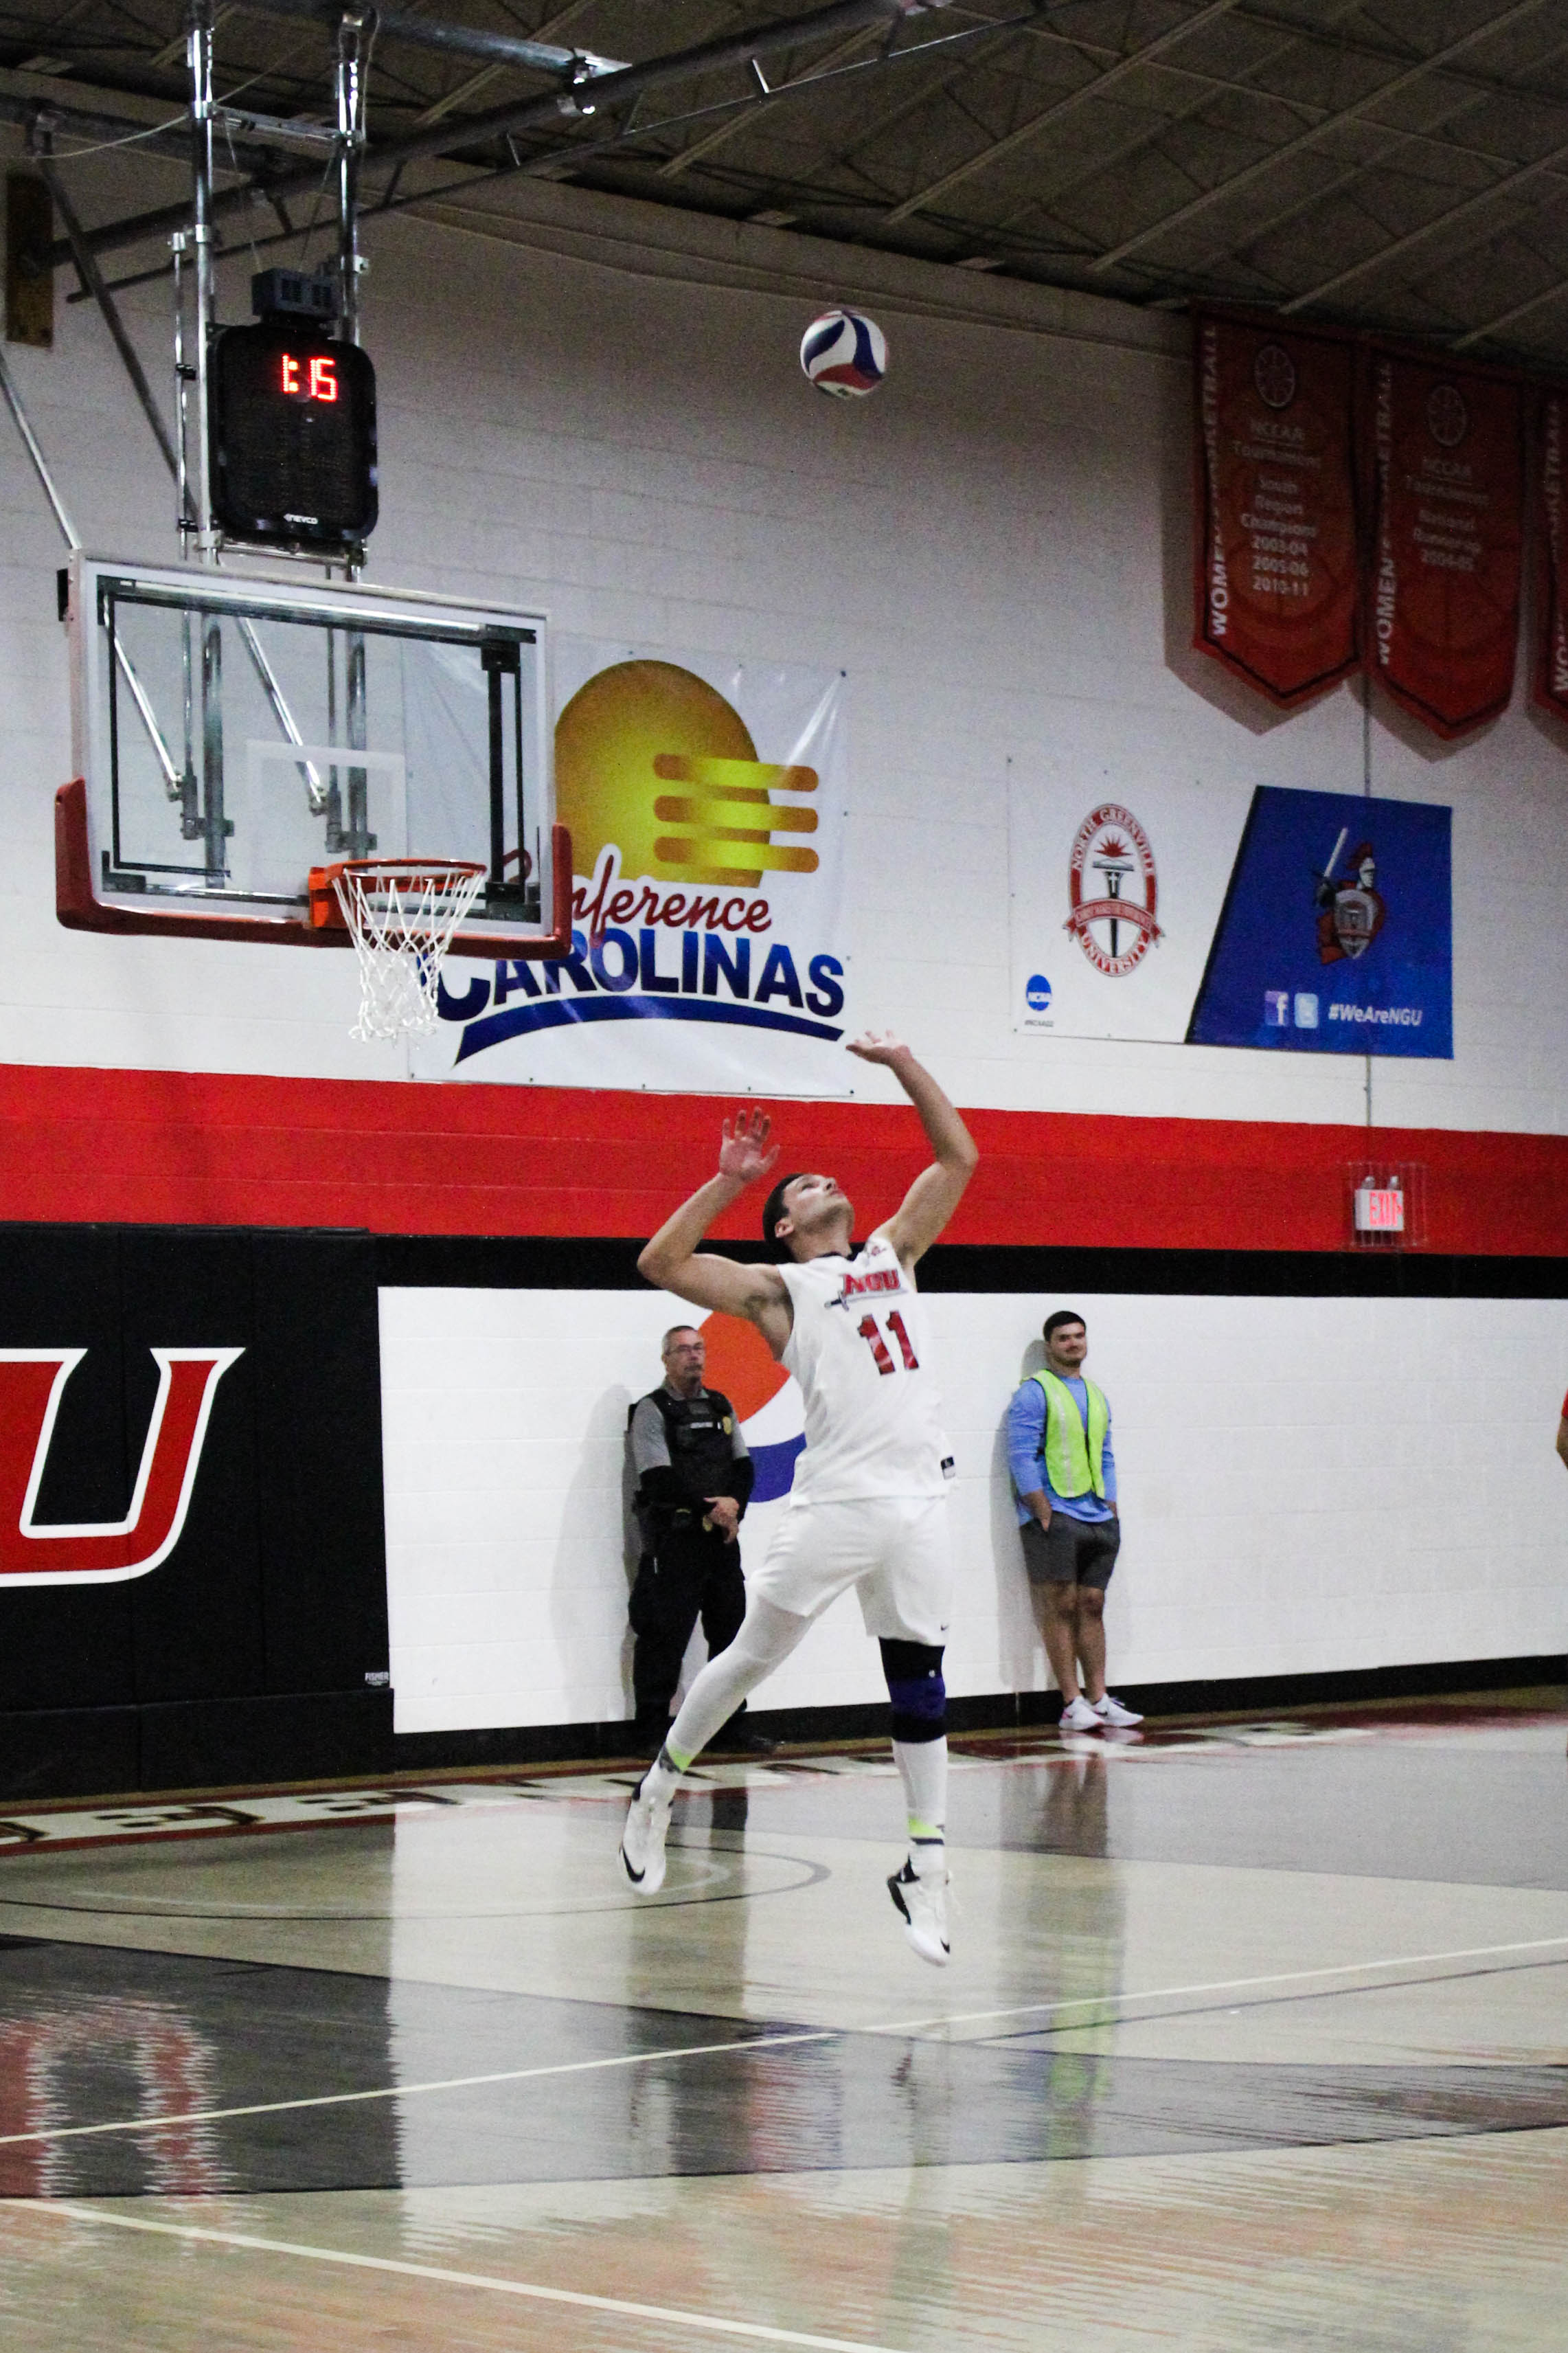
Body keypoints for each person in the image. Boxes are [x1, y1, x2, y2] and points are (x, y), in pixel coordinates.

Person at [620, 1033, 978, 1966]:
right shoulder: (781, 1290)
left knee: (920, 1680)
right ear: (784, 1224)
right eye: (802, 1183)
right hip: (838, 1503)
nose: (821, 1179)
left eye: (822, 1174)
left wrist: (904, 1063)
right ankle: (659, 1785)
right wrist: (731, 1180)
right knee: (748, 1658)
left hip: (918, 1498)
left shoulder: (894, 1252)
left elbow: (957, 1156)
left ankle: (926, 1866)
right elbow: (659, 1262)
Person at [626, 1324, 762, 1755]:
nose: (693, 1357)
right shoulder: (652, 1410)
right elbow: (658, 1479)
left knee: (731, 1639)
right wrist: (713, 1508)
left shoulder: (721, 1405)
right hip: (676, 1542)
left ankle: (729, 1728)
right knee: (664, 1639)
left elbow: (743, 1468)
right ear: (666, 1359)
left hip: (721, 1543)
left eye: (698, 1348)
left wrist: (734, 1506)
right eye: (682, 1350)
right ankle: (649, 1732)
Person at [1008, 1311, 1142, 1732]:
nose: (1073, 1344)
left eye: (1079, 1336)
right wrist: (1042, 1511)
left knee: (1092, 1605)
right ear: (1050, 1345)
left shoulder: (1097, 1394)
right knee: (1060, 1606)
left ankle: (1099, 1698)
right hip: (1056, 1516)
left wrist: (1112, 1505)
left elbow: (1105, 1453)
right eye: (1064, 1338)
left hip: (1099, 1515)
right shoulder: (1034, 1393)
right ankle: (1071, 1703)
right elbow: (1020, 1454)